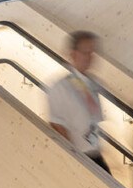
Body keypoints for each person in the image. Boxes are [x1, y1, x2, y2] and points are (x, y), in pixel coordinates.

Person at [47, 30, 110, 173]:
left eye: (92, 52)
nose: (90, 57)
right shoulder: (60, 87)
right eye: (85, 52)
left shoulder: (94, 84)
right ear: (73, 54)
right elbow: (57, 125)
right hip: (80, 157)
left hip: (96, 154)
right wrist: (73, 160)